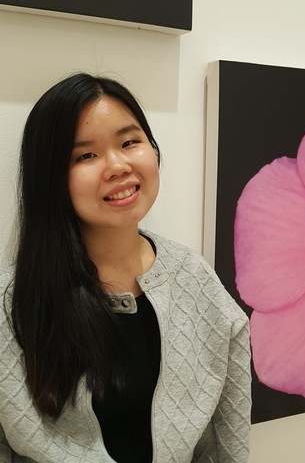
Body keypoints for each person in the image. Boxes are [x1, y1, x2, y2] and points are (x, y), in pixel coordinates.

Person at [0, 73, 251, 462]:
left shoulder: (196, 281)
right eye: (85, 155)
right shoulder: (11, 301)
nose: (117, 166)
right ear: (49, 177)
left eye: (129, 142)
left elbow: (226, 442)